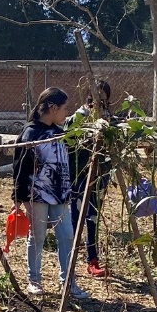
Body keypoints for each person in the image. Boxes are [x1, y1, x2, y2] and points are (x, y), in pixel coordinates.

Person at [12, 87, 90, 300]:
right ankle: (34, 280)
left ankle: (69, 282)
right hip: (36, 195)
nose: (66, 112)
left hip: (61, 195)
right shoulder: (31, 133)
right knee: (37, 237)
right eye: (64, 108)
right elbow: (20, 167)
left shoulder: (60, 132)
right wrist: (21, 199)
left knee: (66, 236)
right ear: (53, 108)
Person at [65, 79, 114, 278]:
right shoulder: (80, 115)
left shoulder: (107, 117)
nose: (100, 99)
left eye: (104, 95)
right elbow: (67, 134)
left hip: (100, 174)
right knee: (76, 217)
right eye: (97, 94)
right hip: (80, 172)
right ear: (89, 95)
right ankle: (70, 259)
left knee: (93, 217)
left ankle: (92, 260)